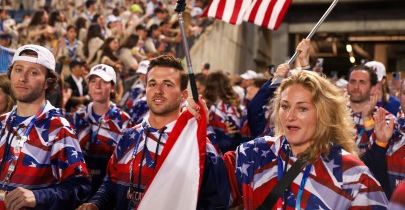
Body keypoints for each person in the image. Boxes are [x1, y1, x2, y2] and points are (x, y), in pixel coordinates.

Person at [189, 70, 390, 209]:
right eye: (285, 106)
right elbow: (208, 184)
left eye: (302, 108)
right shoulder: (257, 154)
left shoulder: (353, 176)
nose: (290, 116)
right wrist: (193, 128)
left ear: (324, 114)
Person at [77, 55, 229, 210]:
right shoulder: (129, 137)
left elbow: (215, 202)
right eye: (152, 84)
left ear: (183, 96)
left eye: (168, 84)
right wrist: (95, 204)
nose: (158, 91)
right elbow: (111, 183)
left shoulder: (197, 145)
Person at [0, 44, 91, 209]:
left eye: (33, 72)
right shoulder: (2, 122)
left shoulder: (58, 128)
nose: (22, 78)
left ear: (48, 82)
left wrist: (38, 196)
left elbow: (80, 187)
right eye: (18, 70)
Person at [71, 64, 132, 196]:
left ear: (113, 87)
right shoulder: (78, 116)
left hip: (108, 189)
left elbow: (124, 164)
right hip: (78, 187)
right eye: (93, 81)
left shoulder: (123, 120)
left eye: (103, 82)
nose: (97, 86)